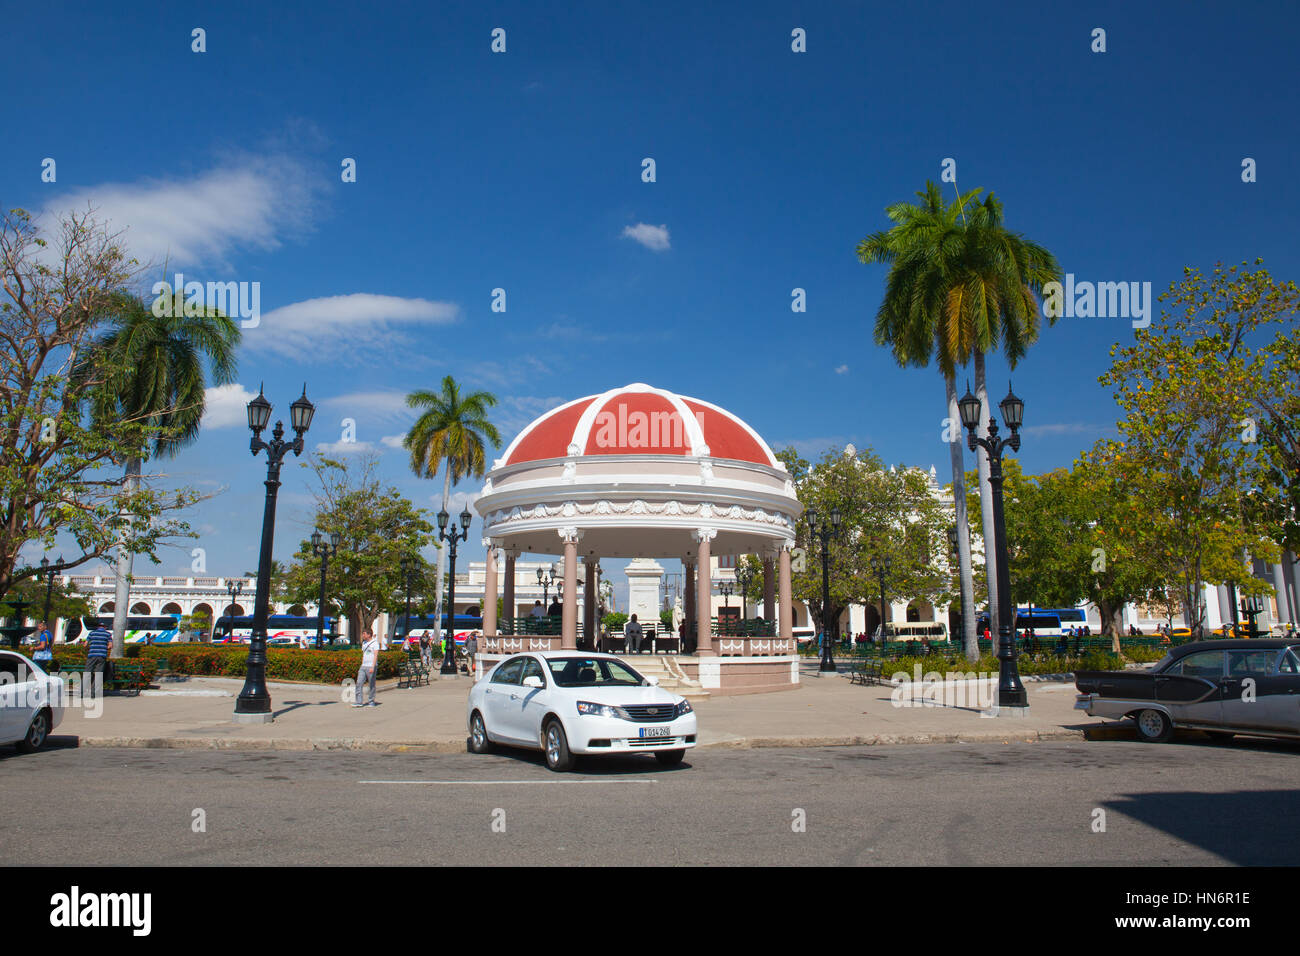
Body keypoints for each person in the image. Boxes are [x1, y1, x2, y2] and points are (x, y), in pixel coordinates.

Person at [85, 619, 112, 698]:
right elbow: (110, 646)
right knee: (98, 675)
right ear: (105, 627)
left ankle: (83, 692)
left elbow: (85, 644)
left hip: (91, 655)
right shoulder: (108, 634)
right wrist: (104, 648)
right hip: (102, 656)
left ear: (98, 626)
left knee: (87, 673)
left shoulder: (92, 633)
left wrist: (90, 648)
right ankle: (93, 693)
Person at [353, 629, 379, 707]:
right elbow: (364, 654)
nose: (363, 636)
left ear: (369, 635)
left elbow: (375, 655)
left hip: (371, 666)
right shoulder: (364, 643)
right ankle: (359, 701)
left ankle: (371, 701)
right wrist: (362, 664)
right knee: (359, 683)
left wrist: (373, 667)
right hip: (363, 666)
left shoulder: (375, 643)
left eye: (364, 634)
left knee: (371, 684)